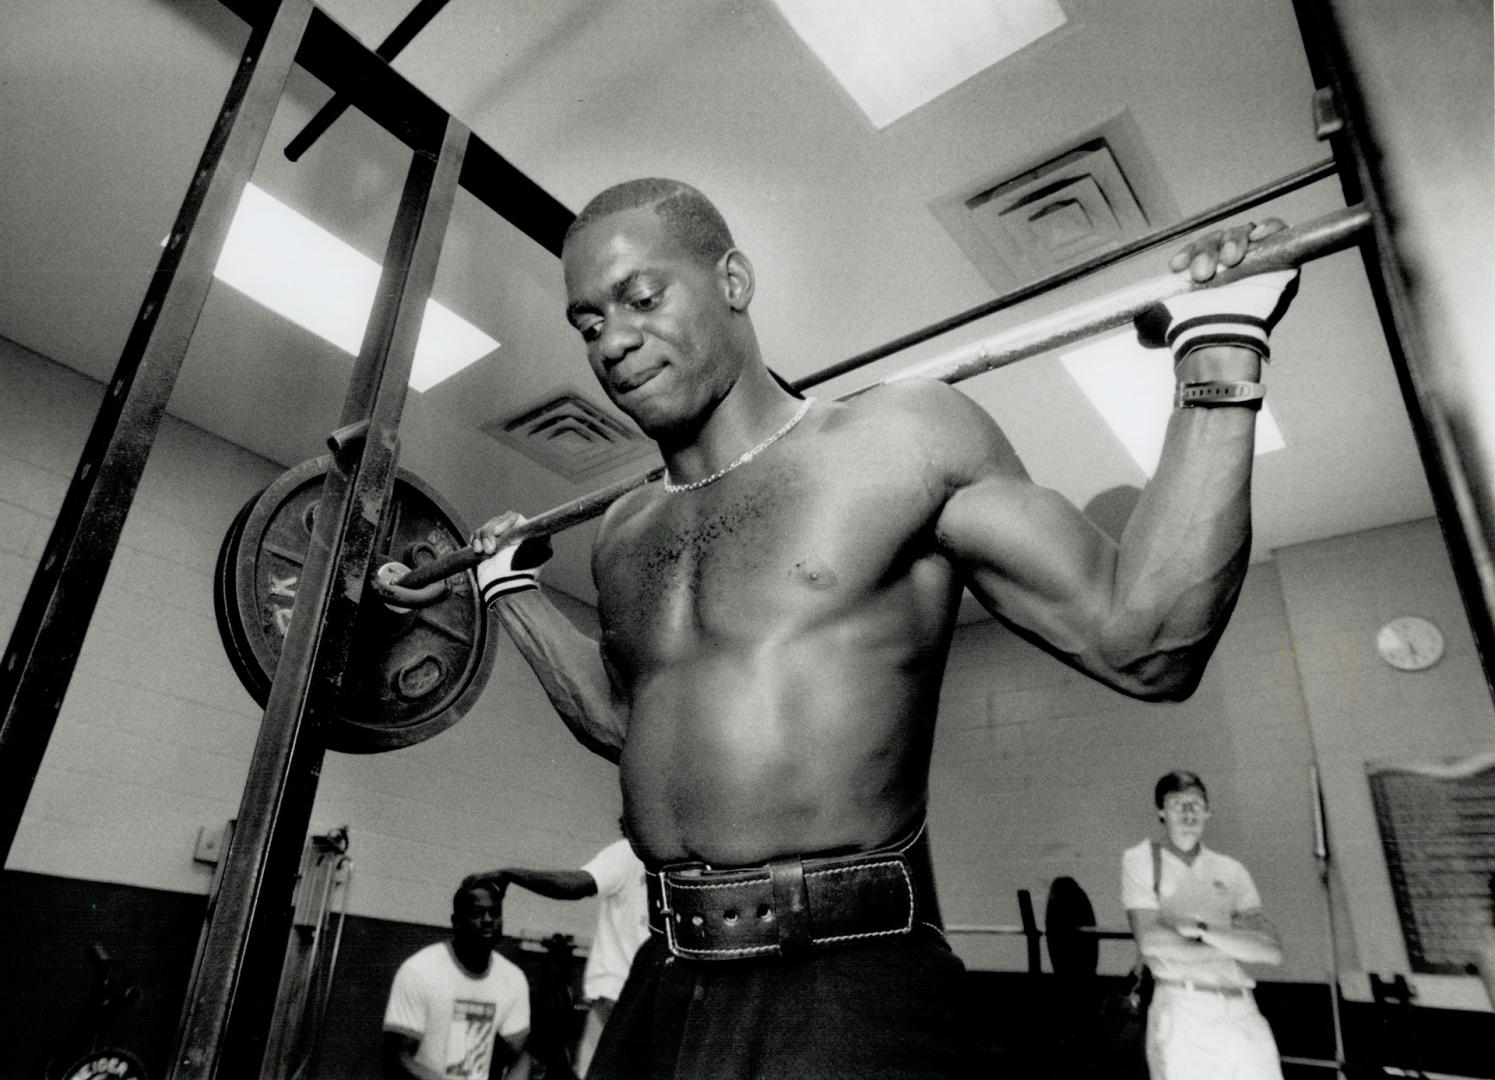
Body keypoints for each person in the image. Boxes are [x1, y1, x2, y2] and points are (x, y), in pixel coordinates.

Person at [469, 177, 1300, 1077]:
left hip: (843, 982)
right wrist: (505, 591)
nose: (614, 341)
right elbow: (633, 728)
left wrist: (1220, 343)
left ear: (734, 281)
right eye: (587, 322)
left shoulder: (896, 440)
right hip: (662, 981)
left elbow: (1145, 642)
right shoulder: (625, 533)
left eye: (641, 296)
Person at [1122, 770, 1285, 1079]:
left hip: (1242, 1012)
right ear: (1160, 812)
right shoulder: (1141, 860)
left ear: (1208, 811)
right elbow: (1152, 942)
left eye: (1196, 803)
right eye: (1176, 803)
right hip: (1183, 1011)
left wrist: (1201, 930)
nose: (1188, 812)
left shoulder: (1231, 870)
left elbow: (1272, 951)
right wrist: (1236, 944)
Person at [466, 824, 650, 1077]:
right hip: (623, 998)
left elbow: (574, 885)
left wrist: (510, 874)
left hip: (632, 1000)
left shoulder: (634, 854)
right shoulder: (636, 856)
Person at [384, 880, 532, 1080]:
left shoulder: (513, 979)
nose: (488, 920)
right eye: (476, 913)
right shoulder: (419, 970)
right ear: (456, 922)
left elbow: (521, 1057)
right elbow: (397, 1058)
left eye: (495, 912)